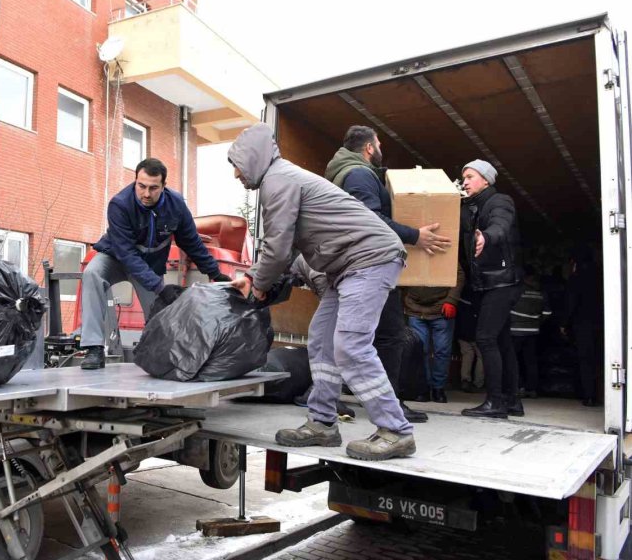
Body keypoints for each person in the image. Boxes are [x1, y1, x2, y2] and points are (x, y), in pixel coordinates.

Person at [228, 123, 415, 462]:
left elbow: (278, 246)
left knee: (351, 344)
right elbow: (285, 253)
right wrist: (255, 277)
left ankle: (396, 430)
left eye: (237, 164)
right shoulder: (282, 179)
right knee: (321, 339)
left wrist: (257, 284)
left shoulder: (278, 180)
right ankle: (322, 423)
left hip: (369, 258)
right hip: (344, 267)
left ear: (253, 159)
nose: (236, 174)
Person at [324, 125, 452, 423]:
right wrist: (413, 235)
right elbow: (369, 219)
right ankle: (389, 404)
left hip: (352, 264)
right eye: (379, 143)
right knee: (391, 335)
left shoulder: (347, 173)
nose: (380, 148)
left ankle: (343, 399)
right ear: (369, 147)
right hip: (369, 264)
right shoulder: (358, 174)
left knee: (353, 337)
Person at [78, 158, 230, 369]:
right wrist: (159, 287)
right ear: (135, 181)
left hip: (149, 265)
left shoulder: (176, 205)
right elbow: (127, 254)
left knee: (158, 314)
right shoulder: (119, 204)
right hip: (116, 256)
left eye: (153, 188)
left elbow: (191, 242)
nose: (146, 194)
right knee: (92, 273)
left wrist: (215, 272)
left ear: (163, 187)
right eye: (141, 186)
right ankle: (93, 348)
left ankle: (153, 355)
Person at [458, 159, 524, 419]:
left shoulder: (498, 201)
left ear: (486, 180)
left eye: (470, 176)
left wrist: (487, 236)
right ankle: (513, 401)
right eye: (463, 177)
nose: (465, 181)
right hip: (490, 282)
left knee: (485, 338)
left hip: (502, 281)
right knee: (502, 340)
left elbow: (500, 225)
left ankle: (495, 402)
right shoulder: (470, 206)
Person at [288, 254, 355, 418]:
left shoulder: (308, 266)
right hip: (338, 291)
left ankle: (324, 396)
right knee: (326, 341)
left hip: (338, 293)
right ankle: (324, 396)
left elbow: (329, 298)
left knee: (327, 341)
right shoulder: (312, 266)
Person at [403, 265, 465, 403]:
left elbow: (459, 275)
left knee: (442, 351)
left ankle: (438, 388)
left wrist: (451, 300)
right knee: (420, 351)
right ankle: (423, 388)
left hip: (441, 308)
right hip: (415, 308)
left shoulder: (445, 249)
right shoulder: (413, 249)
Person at [562, 246, 601, 406]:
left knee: (585, 359)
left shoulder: (576, 278)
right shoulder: (601, 276)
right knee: (600, 359)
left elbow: (571, 302)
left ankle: (589, 395)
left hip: (583, 323)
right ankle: (602, 394)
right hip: (601, 323)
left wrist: (564, 323)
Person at [510, 266, 550, 398]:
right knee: (531, 361)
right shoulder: (541, 292)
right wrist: (536, 322)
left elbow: (506, 308)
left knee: (514, 360)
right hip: (533, 331)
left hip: (515, 331)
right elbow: (547, 313)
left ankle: (516, 387)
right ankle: (531, 389)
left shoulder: (517, 290)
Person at [456, 283, 484, 392]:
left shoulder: (462, 294)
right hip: (477, 331)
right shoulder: (482, 296)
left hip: (463, 330)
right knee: (482, 357)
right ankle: (478, 383)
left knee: (467, 354)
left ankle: (465, 380)